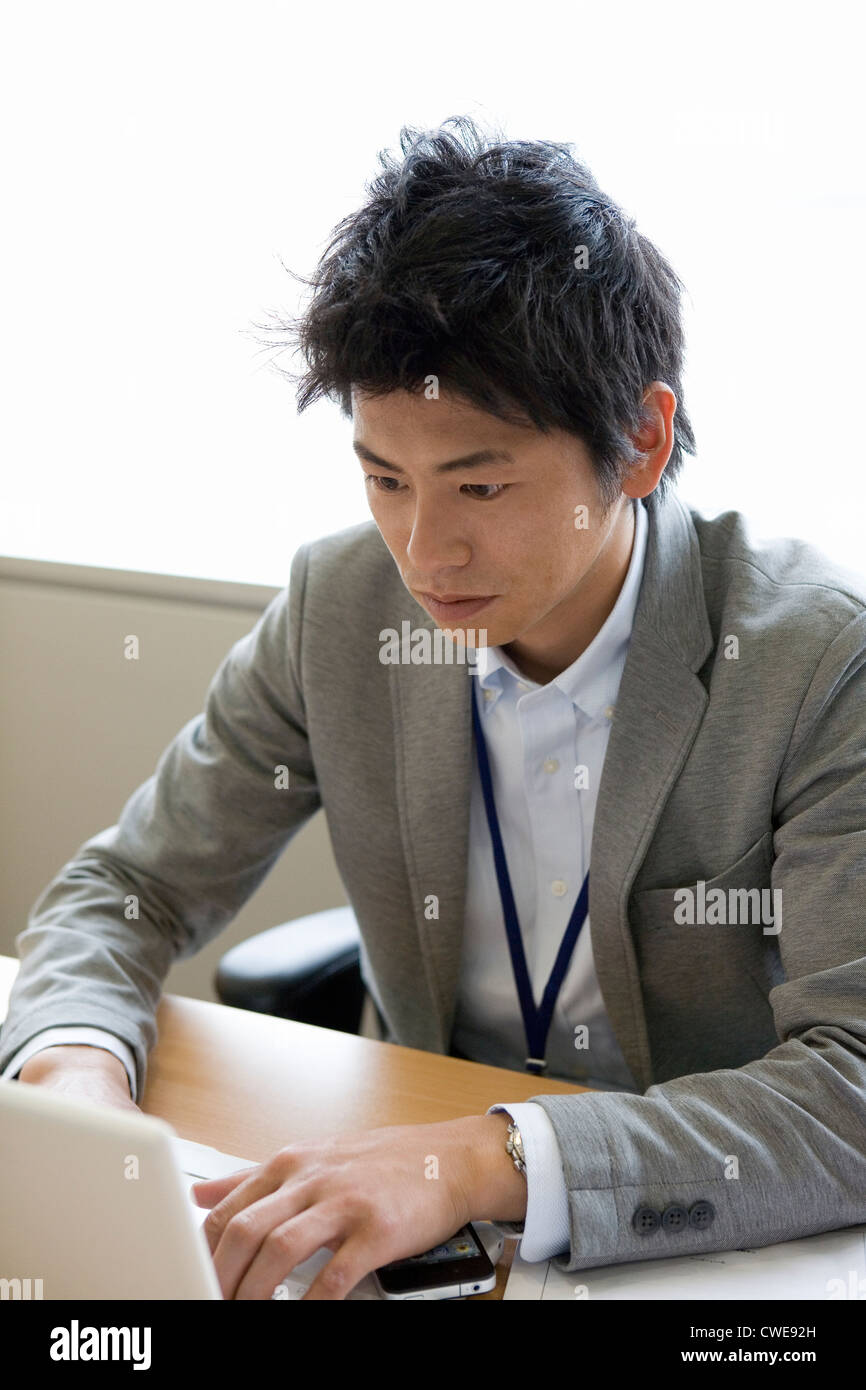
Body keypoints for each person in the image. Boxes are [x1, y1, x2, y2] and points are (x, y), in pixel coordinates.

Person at [2, 116, 865, 1301]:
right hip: (420, 1235)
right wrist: (73, 1078)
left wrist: (483, 1154)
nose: (422, 546)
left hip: (701, 1240)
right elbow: (129, 887)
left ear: (640, 442)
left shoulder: (816, 659)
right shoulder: (339, 606)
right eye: (382, 477)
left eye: (480, 481)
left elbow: (850, 1087)